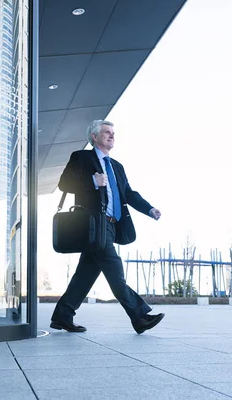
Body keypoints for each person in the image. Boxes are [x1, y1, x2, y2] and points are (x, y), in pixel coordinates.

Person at [50, 120, 164, 334]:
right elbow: (64, 184)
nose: (112, 136)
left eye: (113, 133)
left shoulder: (117, 167)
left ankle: (62, 316)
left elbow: (128, 194)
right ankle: (139, 317)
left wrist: (149, 209)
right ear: (94, 137)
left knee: (85, 274)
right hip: (93, 225)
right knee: (114, 270)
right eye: (106, 132)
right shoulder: (81, 157)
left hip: (111, 226)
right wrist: (92, 181)